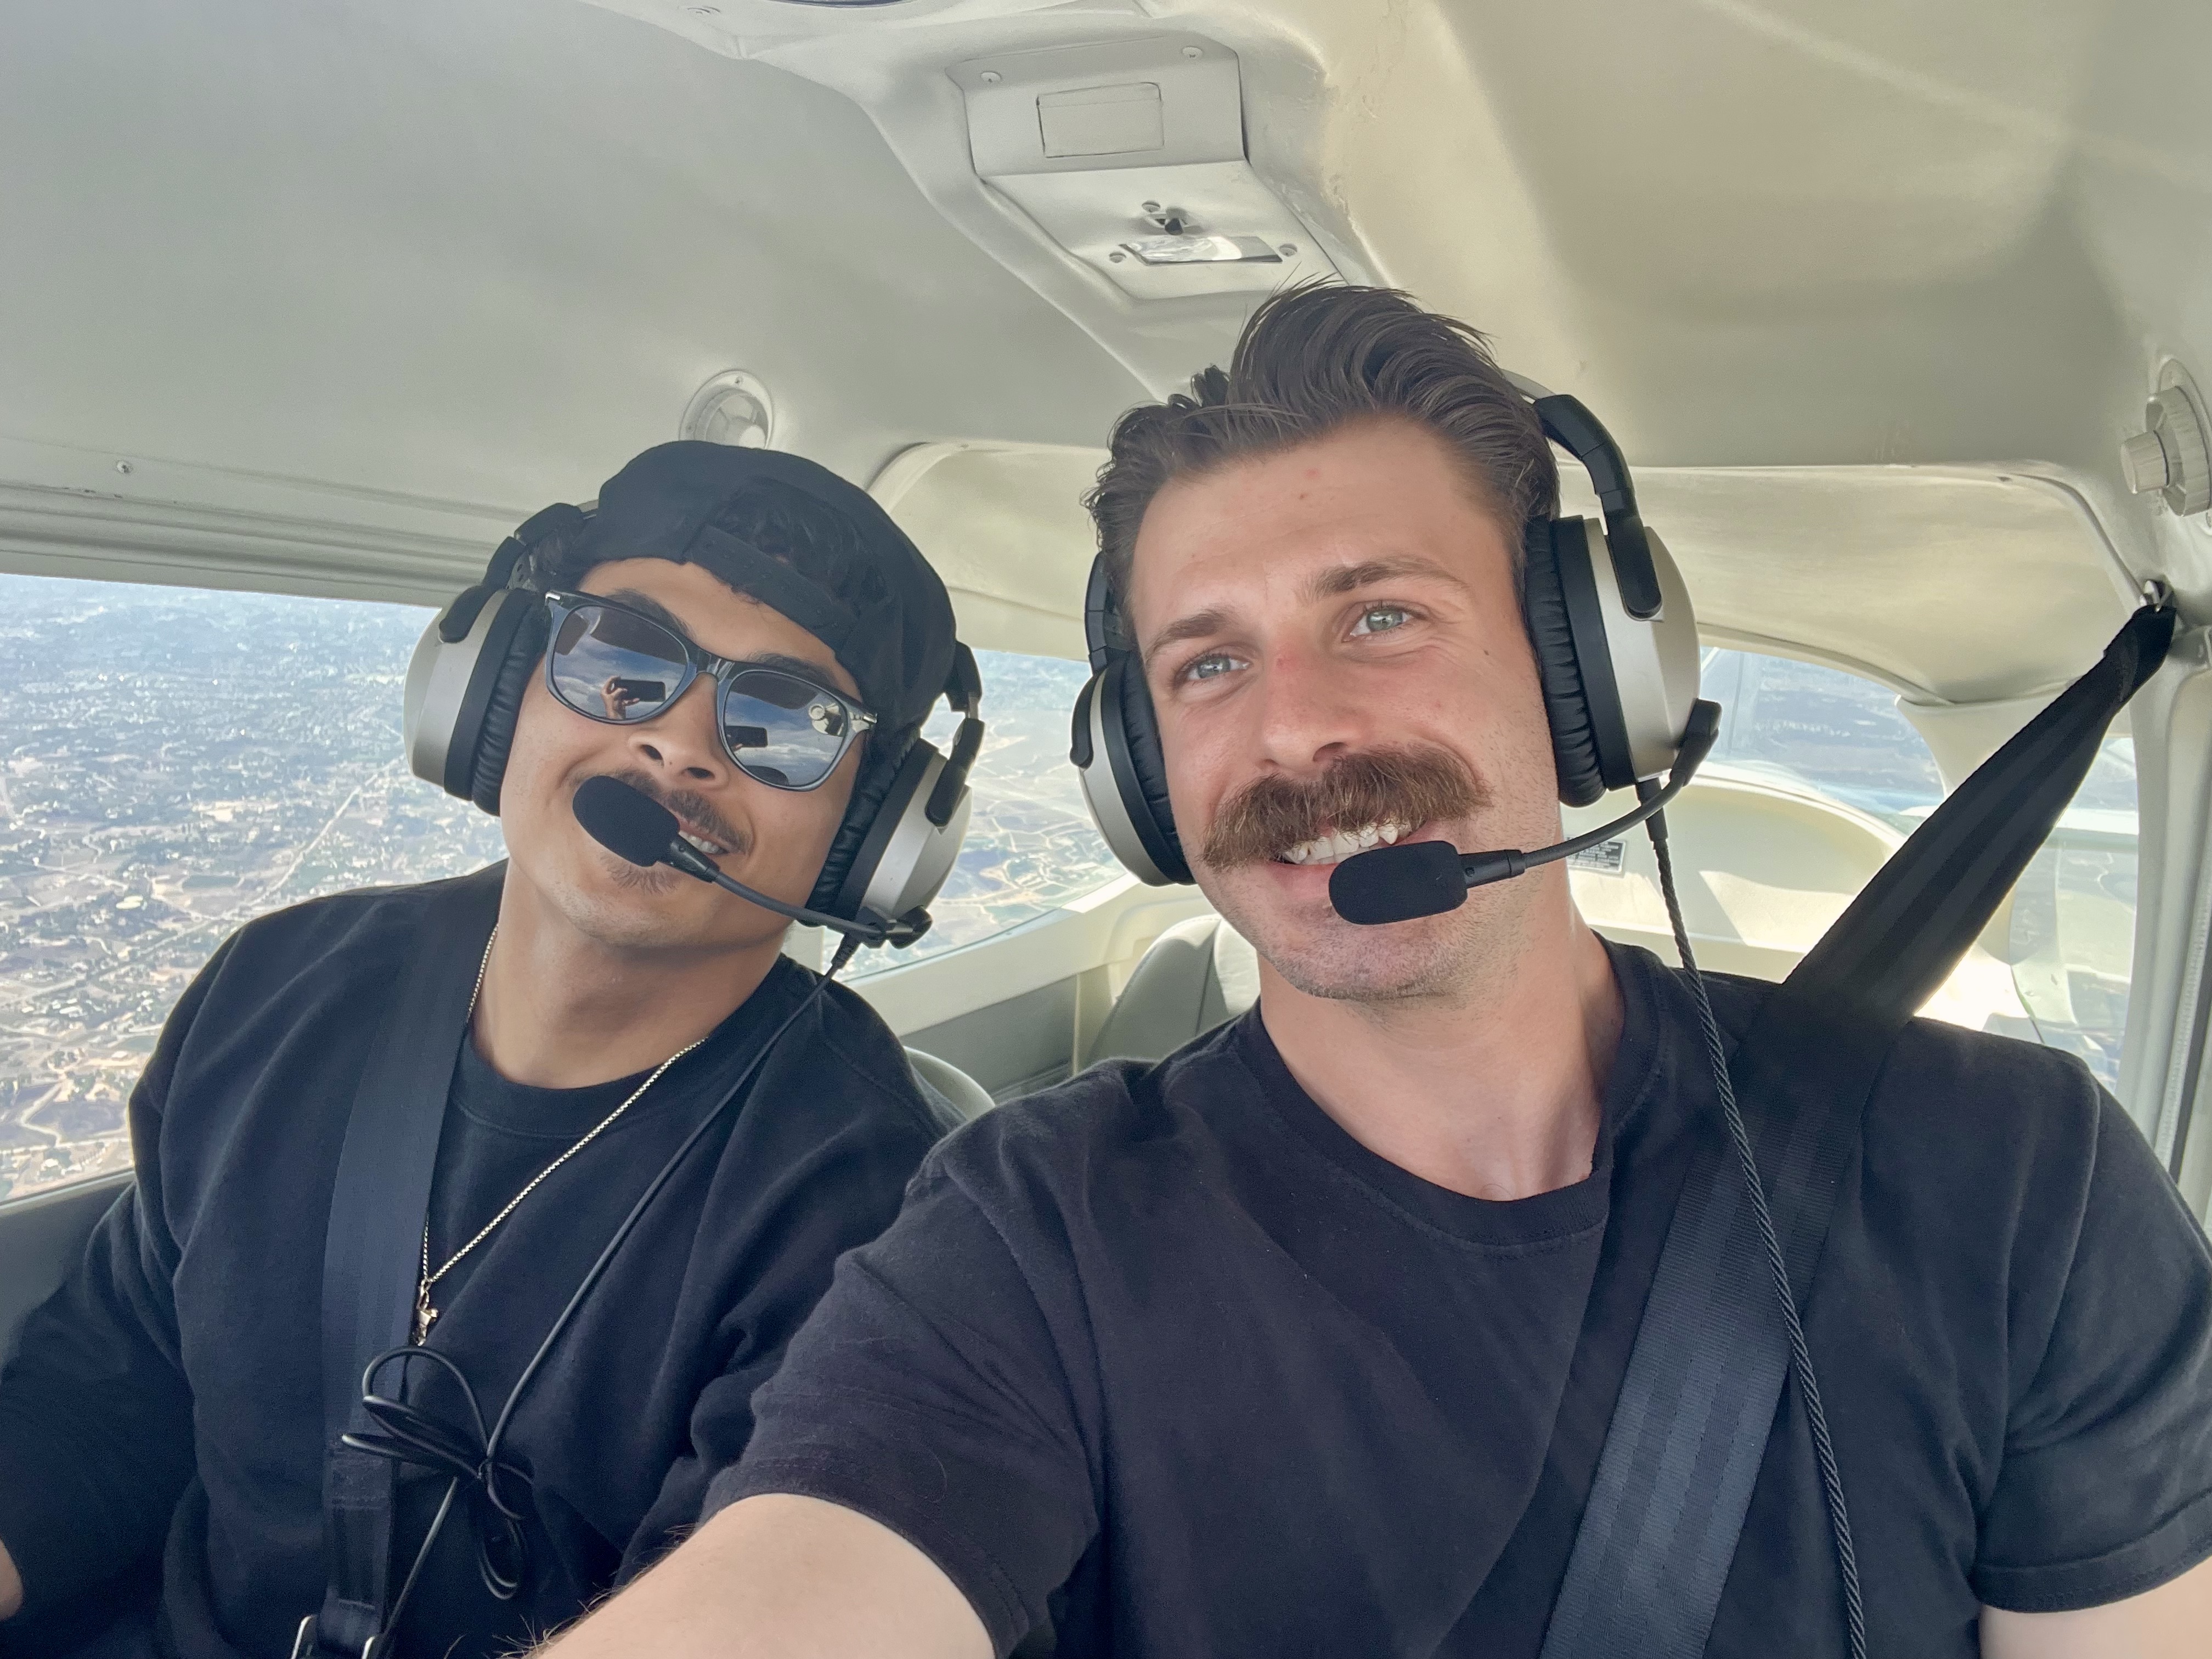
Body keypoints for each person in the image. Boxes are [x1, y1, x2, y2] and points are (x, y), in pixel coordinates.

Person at [541, 288, 2212, 1658]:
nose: (1296, 732)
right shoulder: (1028, 1232)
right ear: (1141, 769)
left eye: (1382, 617)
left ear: (1584, 685)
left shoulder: (2014, 1180)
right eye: (1208, 663)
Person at [0, 442, 976, 1658]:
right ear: (500, 683)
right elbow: (121, 1381)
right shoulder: (279, 993)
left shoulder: (874, 1213)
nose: (680, 744)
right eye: (623, 655)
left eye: (787, 718)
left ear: (866, 834)